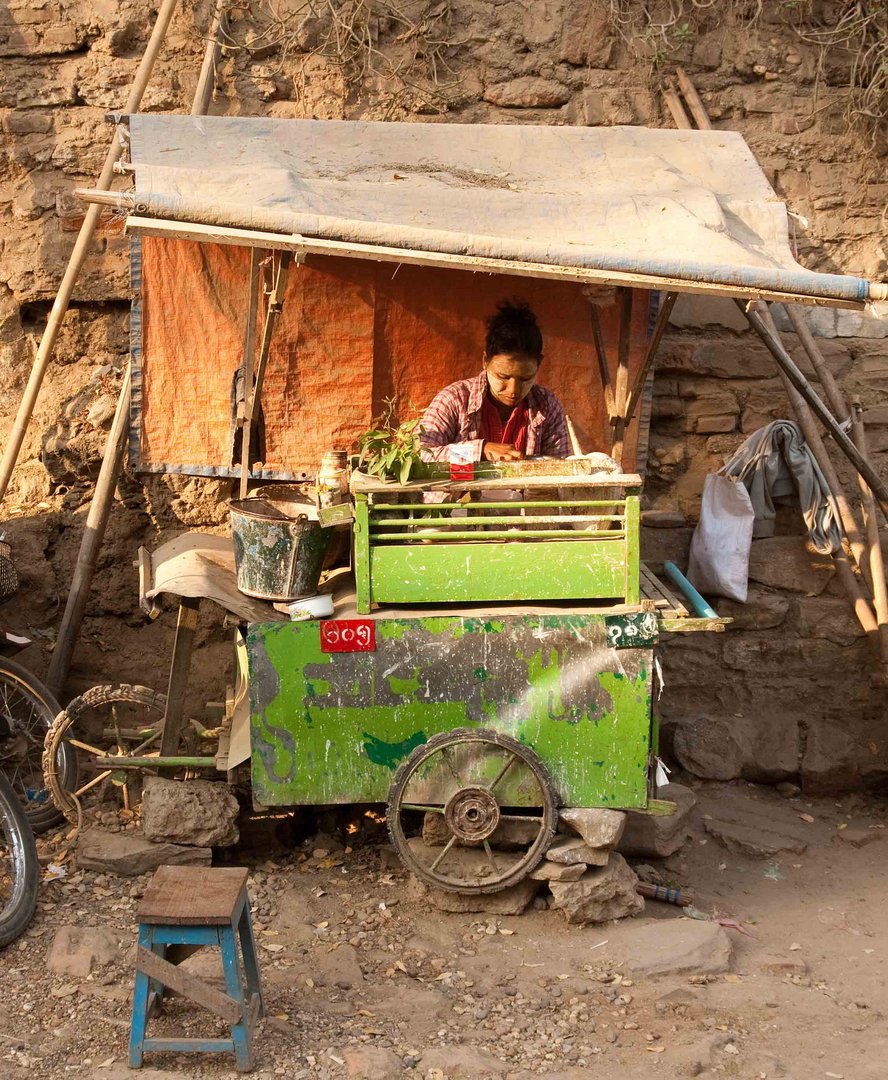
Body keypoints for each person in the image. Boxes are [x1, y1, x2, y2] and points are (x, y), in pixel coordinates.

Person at [419, 299, 570, 463]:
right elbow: (419, 456)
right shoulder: (454, 400)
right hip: (463, 490)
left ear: (538, 365)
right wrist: (480, 450)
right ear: (485, 361)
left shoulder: (546, 407)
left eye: (525, 378)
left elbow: (560, 468)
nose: (513, 390)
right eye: (503, 377)